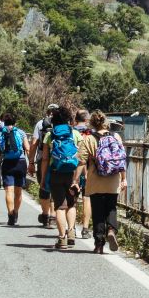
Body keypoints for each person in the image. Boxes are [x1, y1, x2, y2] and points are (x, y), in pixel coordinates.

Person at [37, 106, 85, 249]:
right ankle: (71, 232)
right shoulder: (75, 134)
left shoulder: (49, 135)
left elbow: (45, 159)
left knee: (59, 206)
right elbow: (81, 158)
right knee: (71, 204)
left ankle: (61, 238)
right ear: (68, 119)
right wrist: (78, 178)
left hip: (55, 172)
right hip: (72, 174)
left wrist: (44, 177)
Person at [80, 111, 127, 254]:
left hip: (95, 180)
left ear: (92, 123)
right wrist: (124, 179)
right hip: (113, 179)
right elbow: (121, 160)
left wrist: (76, 179)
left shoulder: (88, 139)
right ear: (106, 122)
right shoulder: (116, 136)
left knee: (98, 212)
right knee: (111, 207)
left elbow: (81, 160)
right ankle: (112, 229)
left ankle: (99, 244)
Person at [0, 113, 30, 226]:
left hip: (7, 163)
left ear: (4, 122)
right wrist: (31, 163)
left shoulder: (1, 132)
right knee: (18, 191)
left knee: (9, 191)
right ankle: (15, 212)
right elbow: (27, 148)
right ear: (15, 122)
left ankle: (10, 214)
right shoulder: (21, 132)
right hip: (20, 163)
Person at [29, 104, 59, 228]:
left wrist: (31, 162)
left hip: (43, 160)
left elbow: (34, 143)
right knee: (55, 189)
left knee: (43, 186)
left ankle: (45, 215)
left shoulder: (40, 124)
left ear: (47, 112)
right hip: (58, 161)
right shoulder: (63, 124)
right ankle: (53, 217)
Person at [72, 109, 93, 240]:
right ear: (87, 120)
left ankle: (71, 227)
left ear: (76, 119)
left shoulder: (71, 131)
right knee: (87, 197)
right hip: (88, 169)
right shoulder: (91, 133)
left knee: (72, 197)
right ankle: (85, 229)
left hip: (72, 168)